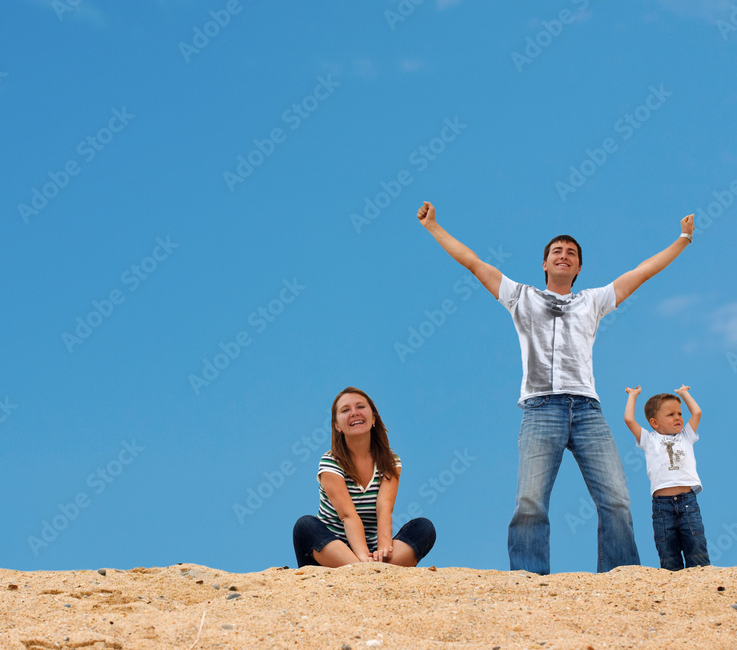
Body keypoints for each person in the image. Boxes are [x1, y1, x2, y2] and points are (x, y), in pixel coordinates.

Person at [416, 200, 695, 574]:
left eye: (572, 253)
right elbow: (474, 263)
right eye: (556, 252)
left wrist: (682, 239)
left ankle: (623, 577)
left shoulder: (592, 301)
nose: (564, 255)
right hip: (540, 409)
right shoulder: (520, 296)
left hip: (587, 411)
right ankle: (528, 578)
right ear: (545, 264)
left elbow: (642, 272)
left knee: (617, 499)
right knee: (530, 501)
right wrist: (434, 227)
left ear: (578, 268)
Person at [292, 387, 436, 567]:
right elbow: (347, 516)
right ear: (337, 425)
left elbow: (385, 508)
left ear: (373, 418)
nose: (354, 413)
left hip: (372, 554)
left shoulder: (391, 462)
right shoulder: (330, 462)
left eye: (360, 407)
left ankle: (378, 569)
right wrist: (360, 559)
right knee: (304, 526)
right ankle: (365, 571)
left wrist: (384, 547)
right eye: (345, 410)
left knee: (424, 528)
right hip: (333, 550)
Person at [624, 385, 710, 570]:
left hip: (688, 503)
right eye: (671, 415)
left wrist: (684, 394)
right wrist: (633, 396)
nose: (678, 417)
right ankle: (674, 593)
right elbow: (629, 419)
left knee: (696, 549)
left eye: (679, 413)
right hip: (662, 507)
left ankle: (703, 589)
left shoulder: (686, 436)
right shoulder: (649, 439)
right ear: (655, 423)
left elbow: (697, 412)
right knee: (668, 554)